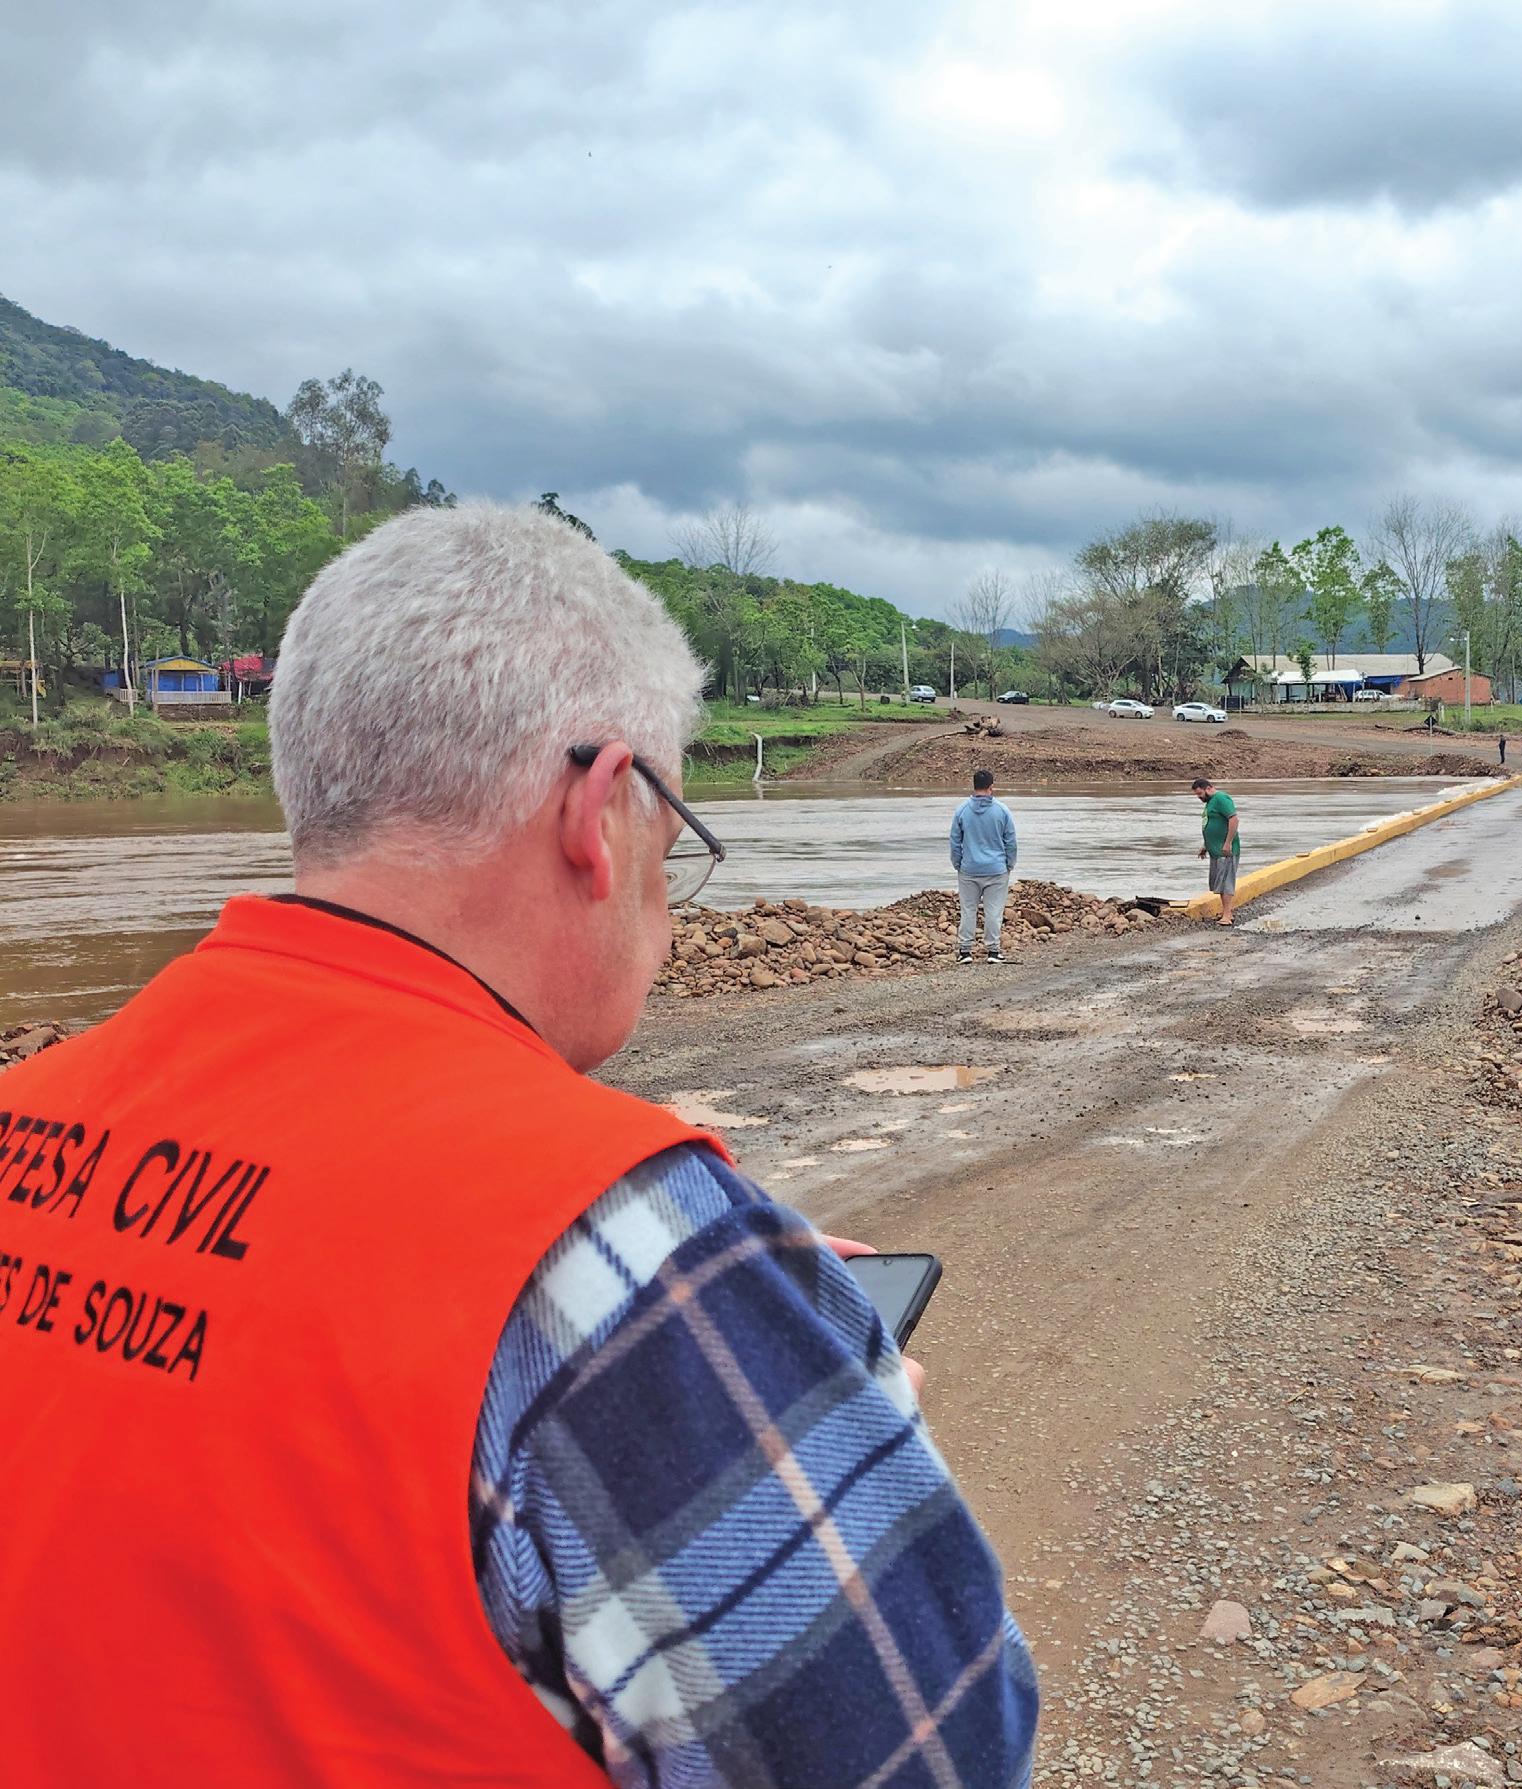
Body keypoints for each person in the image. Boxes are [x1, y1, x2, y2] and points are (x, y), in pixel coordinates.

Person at [0, 506, 1037, 1789]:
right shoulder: (623, 1249)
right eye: (675, 841)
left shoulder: (30, 1111)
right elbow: (931, 1757)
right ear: (600, 813)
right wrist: (830, 1426)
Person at [950, 766, 1019, 964]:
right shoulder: (1002, 810)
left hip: (969, 869)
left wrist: (958, 864)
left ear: (974, 786)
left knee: (968, 910)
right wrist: (1009, 864)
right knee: (993, 911)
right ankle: (993, 951)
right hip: (996, 869)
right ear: (991, 787)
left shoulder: (962, 810)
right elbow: (1010, 842)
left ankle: (965, 951)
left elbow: (955, 841)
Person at [1193, 775, 1240, 926]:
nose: (1199, 797)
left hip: (1225, 850)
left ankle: (1227, 915)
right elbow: (1211, 824)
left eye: (1200, 794)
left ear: (1208, 788)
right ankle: (1227, 912)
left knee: (1226, 882)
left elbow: (1234, 819)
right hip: (1215, 851)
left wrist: (1228, 843)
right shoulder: (1210, 803)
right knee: (1219, 882)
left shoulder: (1221, 798)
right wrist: (1205, 846)